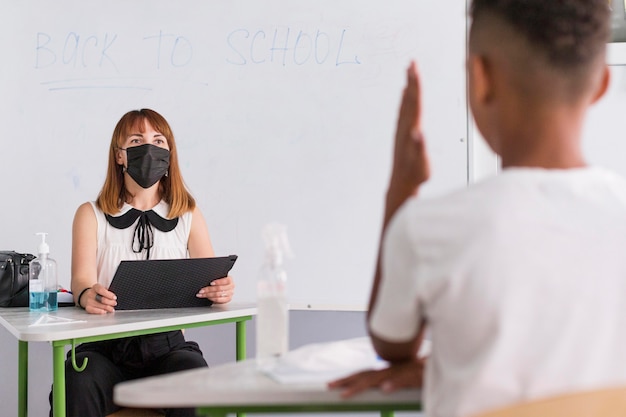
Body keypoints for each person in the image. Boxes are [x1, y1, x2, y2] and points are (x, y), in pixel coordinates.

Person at [330, 1, 626, 416]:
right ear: (601, 84)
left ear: (480, 78)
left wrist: (401, 187)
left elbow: (391, 342)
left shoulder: (428, 227)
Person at [50, 109, 235, 417]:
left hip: (167, 348)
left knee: (196, 380)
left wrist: (221, 290)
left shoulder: (188, 213)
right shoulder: (90, 214)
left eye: (158, 140)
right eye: (136, 140)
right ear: (120, 156)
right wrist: (87, 294)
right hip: (103, 348)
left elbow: (210, 276)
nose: (149, 148)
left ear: (169, 154)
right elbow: (81, 279)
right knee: (75, 382)